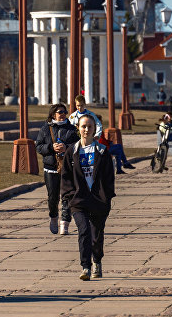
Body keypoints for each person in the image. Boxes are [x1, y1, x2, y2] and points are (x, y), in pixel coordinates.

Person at [60, 114, 115, 281]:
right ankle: (85, 267)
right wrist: (69, 196)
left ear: (94, 129)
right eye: (83, 126)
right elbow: (66, 176)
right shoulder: (72, 151)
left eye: (89, 126)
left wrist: (107, 198)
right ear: (78, 128)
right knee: (83, 231)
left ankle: (97, 261)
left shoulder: (102, 151)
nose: (86, 130)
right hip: (78, 200)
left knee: (96, 235)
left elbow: (109, 178)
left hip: (98, 200)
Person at [36, 103, 79, 235]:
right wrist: (51, 147)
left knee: (67, 196)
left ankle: (64, 224)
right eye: (60, 112)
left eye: (65, 112)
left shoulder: (71, 129)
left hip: (68, 167)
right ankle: (54, 217)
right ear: (53, 114)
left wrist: (67, 147)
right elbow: (39, 146)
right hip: (50, 168)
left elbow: (78, 145)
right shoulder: (45, 129)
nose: (63, 114)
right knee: (52, 198)